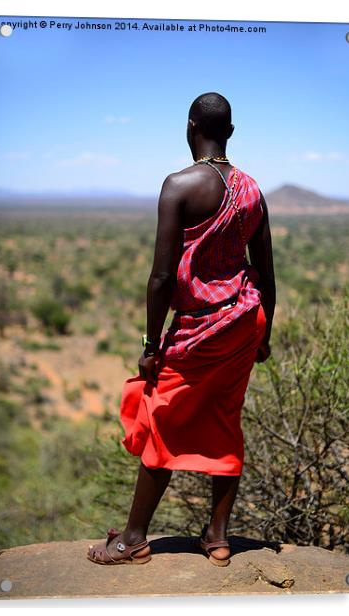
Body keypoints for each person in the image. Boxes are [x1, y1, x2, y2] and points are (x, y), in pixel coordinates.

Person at [87, 92, 276, 567]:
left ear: (190, 127)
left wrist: (152, 343)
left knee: (159, 415)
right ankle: (216, 537)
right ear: (229, 132)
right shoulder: (252, 190)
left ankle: (132, 539)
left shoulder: (178, 186)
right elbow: (266, 273)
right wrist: (265, 334)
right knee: (225, 415)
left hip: (198, 330)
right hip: (243, 321)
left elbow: (162, 277)